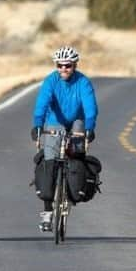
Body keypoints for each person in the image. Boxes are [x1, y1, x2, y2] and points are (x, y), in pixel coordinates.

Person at [31, 44, 98, 232]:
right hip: (55, 121)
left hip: (77, 120)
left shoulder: (83, 82)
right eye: (59, 65)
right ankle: (47, 212)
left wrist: (89, 128)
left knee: (76, 154)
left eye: (67, 66)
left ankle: (71, 188)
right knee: (50, 161)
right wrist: (37, 125)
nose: (63, 69)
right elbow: (42, 104)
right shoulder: (50, 81)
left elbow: (90, 107)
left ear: (75, 65)